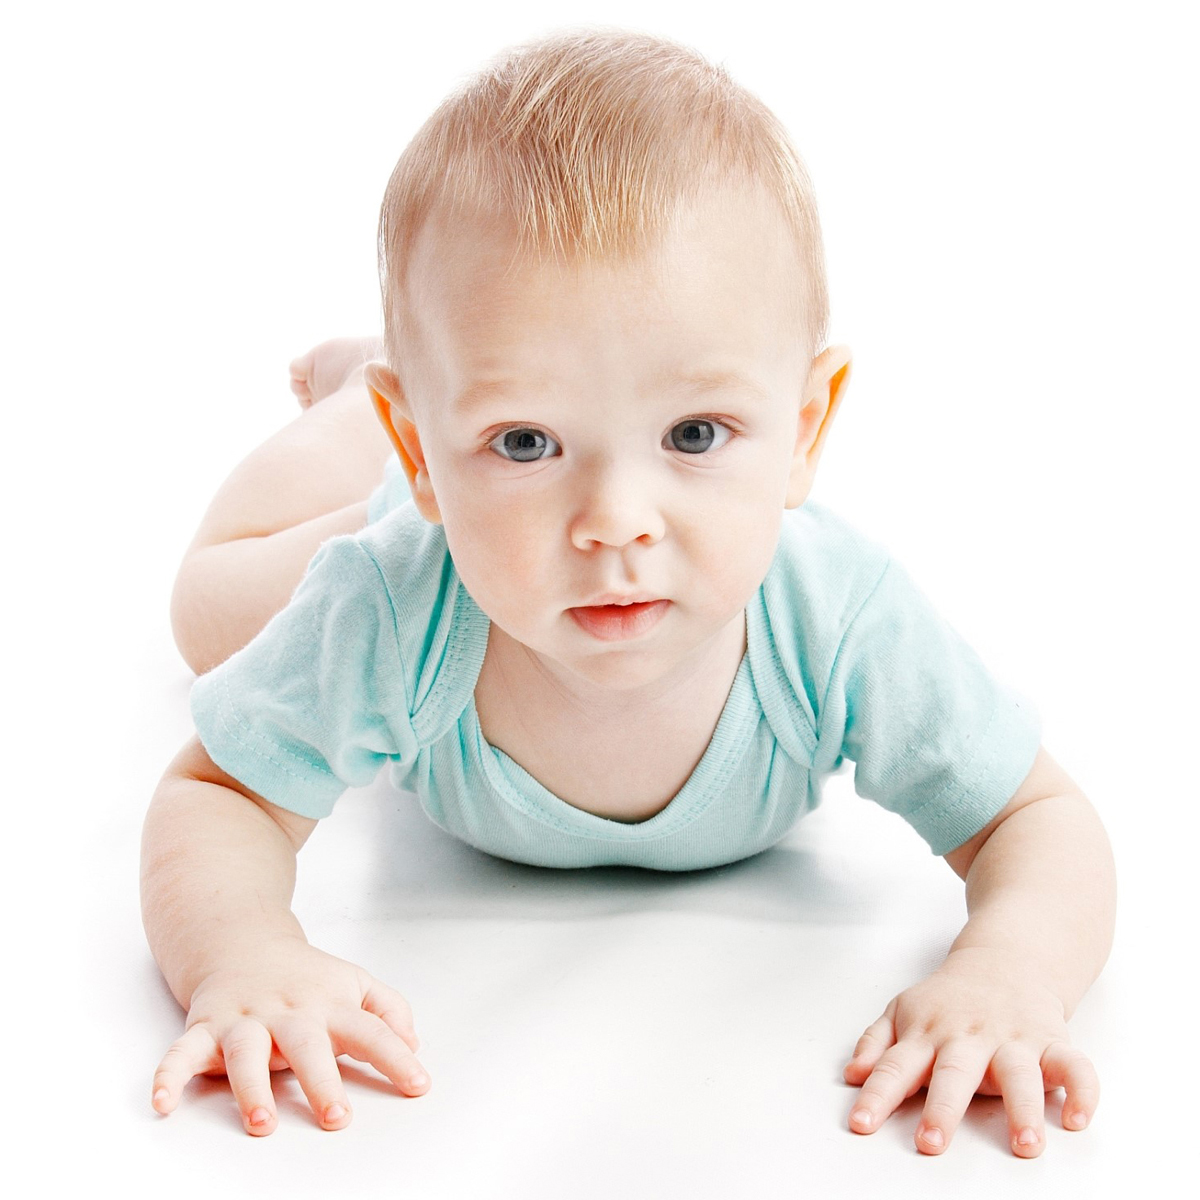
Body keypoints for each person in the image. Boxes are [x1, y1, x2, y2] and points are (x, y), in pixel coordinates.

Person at [141, 28, 1115, 1157]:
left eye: (694, 433)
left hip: (459, 490)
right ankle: (351, 411)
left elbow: (1036, 818)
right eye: (527, 440)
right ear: (423, 450)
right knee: (206, 608)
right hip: (395, 524)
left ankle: (463, 393)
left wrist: (1009, 971)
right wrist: (243, 953)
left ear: (805, 429)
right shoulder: (387, 603)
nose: (615, 521)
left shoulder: (836, 617)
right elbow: (216, 795)